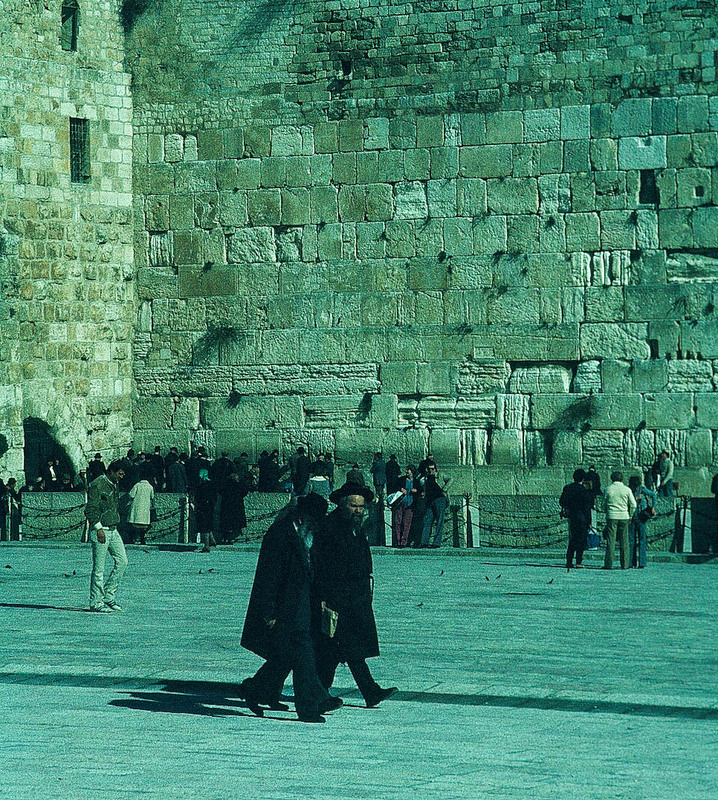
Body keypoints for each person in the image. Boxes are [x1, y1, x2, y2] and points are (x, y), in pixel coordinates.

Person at [238, 494, 342, 723]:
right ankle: (311, 703)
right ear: (302, 516)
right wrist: (269, 612)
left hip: (305, 601)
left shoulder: (310, 534)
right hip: (284, 604)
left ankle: (256, 689)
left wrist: (323, 598)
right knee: (302, 647)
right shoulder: (279, 534)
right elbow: (268, 576)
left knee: (287, 654)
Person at [312, 481, 397, 708]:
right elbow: (321, 566)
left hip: (356, 597)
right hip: (337, 598)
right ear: (342, 505)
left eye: (361, 506)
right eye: (353, 505)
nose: (358, 510)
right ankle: (325, 693)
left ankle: (361, 692)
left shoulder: (356, 527)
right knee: (339, 647)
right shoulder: (330, 527)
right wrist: (322, 598)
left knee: (345, 647)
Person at [85, 459, 128, 612]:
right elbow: (90, 509)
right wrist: (98, 528)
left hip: (113, 529)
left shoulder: (114, 485)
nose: (121, 477)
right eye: (120, 474)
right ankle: (96, 602)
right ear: (111, 471)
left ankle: (109, 595)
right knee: (99, 568)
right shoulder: (97, 484)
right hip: (101, 529)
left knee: (122, 561)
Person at [603, 471, 637, 571]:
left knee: (611, 541)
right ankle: (625, 564)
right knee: (624, 541)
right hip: (624, 516)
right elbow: (633, 504)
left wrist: (607, 511)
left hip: (612, 515)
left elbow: (603, 503)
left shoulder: (608, 489)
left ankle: (608, 564)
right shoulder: (627, 489)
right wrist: (630, 515)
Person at [559, 469, 593, 569]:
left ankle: (569, 561)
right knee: (581, 540)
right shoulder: (584, 491)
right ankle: (579, 561)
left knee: (572, 539)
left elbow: (562, 501)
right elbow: (587, 508)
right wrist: (589, 521)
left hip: (572, 516)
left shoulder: (568, 488)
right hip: (582, 517)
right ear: (583, 478)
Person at [628, 475, 656, 569]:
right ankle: (631, 562)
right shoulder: (629, 490)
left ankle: (642, 562)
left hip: (641, 516)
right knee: (631, 540)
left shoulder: (642, 490)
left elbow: (653, 495)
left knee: (642, 540)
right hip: (632, 516)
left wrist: (652, 507)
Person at [420, 461, 451, 548]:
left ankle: (436, 543)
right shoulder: (425, 478)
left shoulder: (440, 475)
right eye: (429, 469)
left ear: (435, 468)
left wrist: (444, 489)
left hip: (439, 499)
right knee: (427, 520)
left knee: (439, 521)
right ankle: (424, 542)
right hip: (430, 500)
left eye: (432, 469)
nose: (431, 471)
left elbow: (450, 479)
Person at [219, 470, 249, 543]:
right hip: (237, 506)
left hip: (226, 506)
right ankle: (231, 539)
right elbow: (245, 491)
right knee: (235, 524)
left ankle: (225, 538)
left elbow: (221, 491)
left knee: (226, 524)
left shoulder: (225, 484)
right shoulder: (239, 484)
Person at [391, 465, 418, 548]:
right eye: (407, 470)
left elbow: (420, 491)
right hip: (400, 503)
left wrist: (416, 491)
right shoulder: (401, 479)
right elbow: (394, 487)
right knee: (397, 522)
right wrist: (401, 489)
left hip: (410, 504)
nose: (407, 471)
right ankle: (397, 541)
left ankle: (404, 542)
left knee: (406, 523)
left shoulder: (416, 481)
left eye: (408, 470)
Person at [195, 469, 218, 552]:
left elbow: (198, 497)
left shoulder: (202, 485)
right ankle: (212, 541)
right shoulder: (212, 484)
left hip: (203, 508)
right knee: (208, 525)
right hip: (210, 508)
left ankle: (206, 546)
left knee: (204, 527)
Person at [128, 476, 154, 546]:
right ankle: (142, 539)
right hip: (145, 508)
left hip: (136, 507)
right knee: (144, 525)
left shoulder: (137, 485)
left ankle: (134, 539)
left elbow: (131, 494)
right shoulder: (150, 487)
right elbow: (152, 497)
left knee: (135, 524)